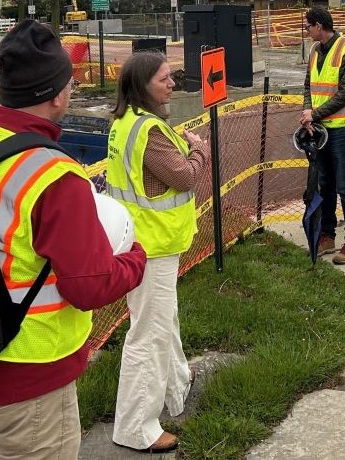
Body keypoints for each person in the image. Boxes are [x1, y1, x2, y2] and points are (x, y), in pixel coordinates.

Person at [0, 20, 146, 460]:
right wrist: (136, 259)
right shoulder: (55, 176)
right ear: (58, 93)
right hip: (28, 383)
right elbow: (88, 286)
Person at [107, 50, 211, 453]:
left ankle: (177, 384)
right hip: (153, 244)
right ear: (142, 86)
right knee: (148, 334)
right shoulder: (149, 131)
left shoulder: (123, 123)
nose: (172, 84)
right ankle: (136, 426)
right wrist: (199, 148)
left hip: (140, 240)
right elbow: (184, 177)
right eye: (164, 79)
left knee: (162, 320)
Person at [301, 6, 345, 264]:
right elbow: (309, 84)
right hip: (319, 129)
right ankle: (327, 234)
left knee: (344, 184)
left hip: (341, 128)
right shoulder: (316, 50)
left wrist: (314, 115)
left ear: (318, 25)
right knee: (324, 183)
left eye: (308, 26)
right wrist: (308, 110)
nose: (307, 31)